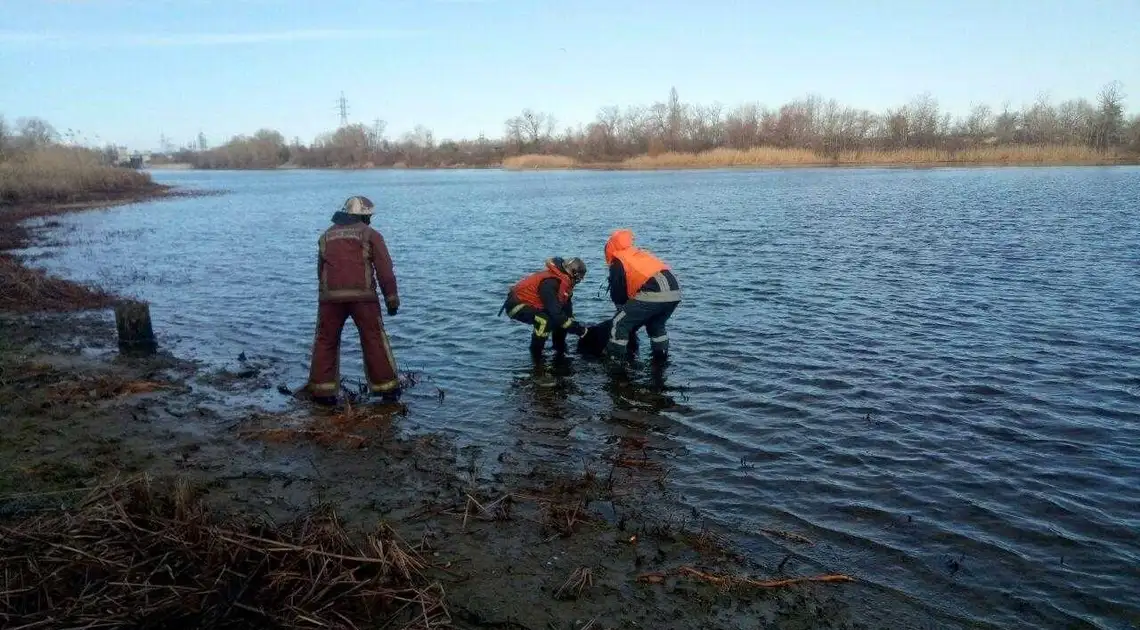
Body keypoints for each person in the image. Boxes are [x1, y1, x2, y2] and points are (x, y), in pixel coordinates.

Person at [306, 195, 402, 404]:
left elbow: (320, 271)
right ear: (363, 216)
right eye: (369, 217)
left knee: (325, 341)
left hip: (329, 299)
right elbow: (385, 271)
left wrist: (324, 296)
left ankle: (322, 392)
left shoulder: (325, 236)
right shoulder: (371, 235)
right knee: (373, 339)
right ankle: (387, 390)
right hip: (363, 298)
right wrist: (392, 300)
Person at [604, 229, 681, 362]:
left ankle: (615, 364)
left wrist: (621, 309)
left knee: (619, 322)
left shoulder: (618, 260)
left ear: (610, 247)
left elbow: (618, 292)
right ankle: (660, 361)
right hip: (675, 291)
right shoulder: (639, 253)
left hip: (654, 292)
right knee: (656, 325)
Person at [500, 257, 588, 356]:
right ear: (572, 273)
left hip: (534, 304)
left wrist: (574, 324)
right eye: (578, 278)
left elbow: (566, 310)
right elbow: (556, 314)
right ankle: (536, 354)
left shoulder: (565, 284)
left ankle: (559, 348)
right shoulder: (551, 283)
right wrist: (580, 331)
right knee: (544, 320)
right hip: (516, 305)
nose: (578, 281)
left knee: (564, 319)